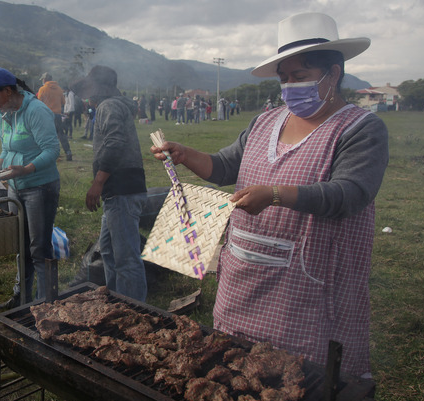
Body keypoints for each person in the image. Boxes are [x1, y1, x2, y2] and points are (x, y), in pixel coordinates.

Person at [150, 12, 388, 378]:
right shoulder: (266, 122)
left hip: (309, 290)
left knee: (301, 386)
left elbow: (350, 194)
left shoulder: (360, 128)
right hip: (243, 281)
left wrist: (276, 195)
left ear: (333, 73)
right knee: (235, 374)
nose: (290, 86)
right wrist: (185, 154)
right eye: (284, 79)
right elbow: (225, 166)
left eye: (301, 77)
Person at [0, 68, 60, 309]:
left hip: (39, 187)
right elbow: (7, 150)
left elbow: (52, 151)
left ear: (8, 91)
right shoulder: (4, 114)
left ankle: (46, 305)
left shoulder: (36, 111)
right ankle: (22, 298)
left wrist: (27, 169)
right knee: (21, 247)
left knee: (39, 248)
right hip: (15, 187)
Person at [71, 65, 148, 302]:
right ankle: (116, 300)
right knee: (108, 249)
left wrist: (98, 182)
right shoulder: (112, 105)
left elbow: (115, 143)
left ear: (99, 88)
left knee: (126, 258)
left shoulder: (109, 106)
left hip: (121, 190)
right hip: (118, 191)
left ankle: (133, 309)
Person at [37, 72, 72, 161]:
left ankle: (47, 154)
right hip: (57, 115)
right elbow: (63, 102)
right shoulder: (59, 89)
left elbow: (38, 103)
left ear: (44, 80)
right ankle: (68, 152)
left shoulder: (42, 89)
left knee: (45, 135)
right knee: (61, 134)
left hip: (46, 115)